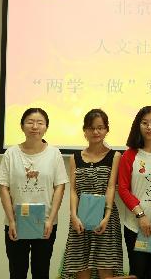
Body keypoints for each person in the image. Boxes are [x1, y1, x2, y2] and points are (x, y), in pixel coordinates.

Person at [0, 107, 68, 279]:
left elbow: (60, 187)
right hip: (16, 223)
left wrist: (50, 219)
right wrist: (11, 221)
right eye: (30, 122)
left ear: (46, 127)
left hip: (45, 223)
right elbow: (3, 187)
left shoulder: (54, 154)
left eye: (40, 123)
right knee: (17, 271)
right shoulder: (11, 154)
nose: (35, 126)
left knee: (41, 271)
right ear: (22, 126)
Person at [61, 109, 123, 278]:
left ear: (106, 130)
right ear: (85, 130)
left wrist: (106, 216)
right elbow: (73, 190)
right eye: (91, 128)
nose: (96, 132)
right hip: (80, 219)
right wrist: (74, 216)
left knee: (105, 269)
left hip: (105, 220)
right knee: (81, 269)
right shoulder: (75, 157)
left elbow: (111, 187)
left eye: (100, 127)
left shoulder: (115, 156)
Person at [118, 106, 151, 279]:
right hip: (135, 226)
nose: (149, 127)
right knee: (138, 273)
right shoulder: (129, 155)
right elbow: (123, 189)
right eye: (145, 123)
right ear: (138, 126)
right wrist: (140, 215)